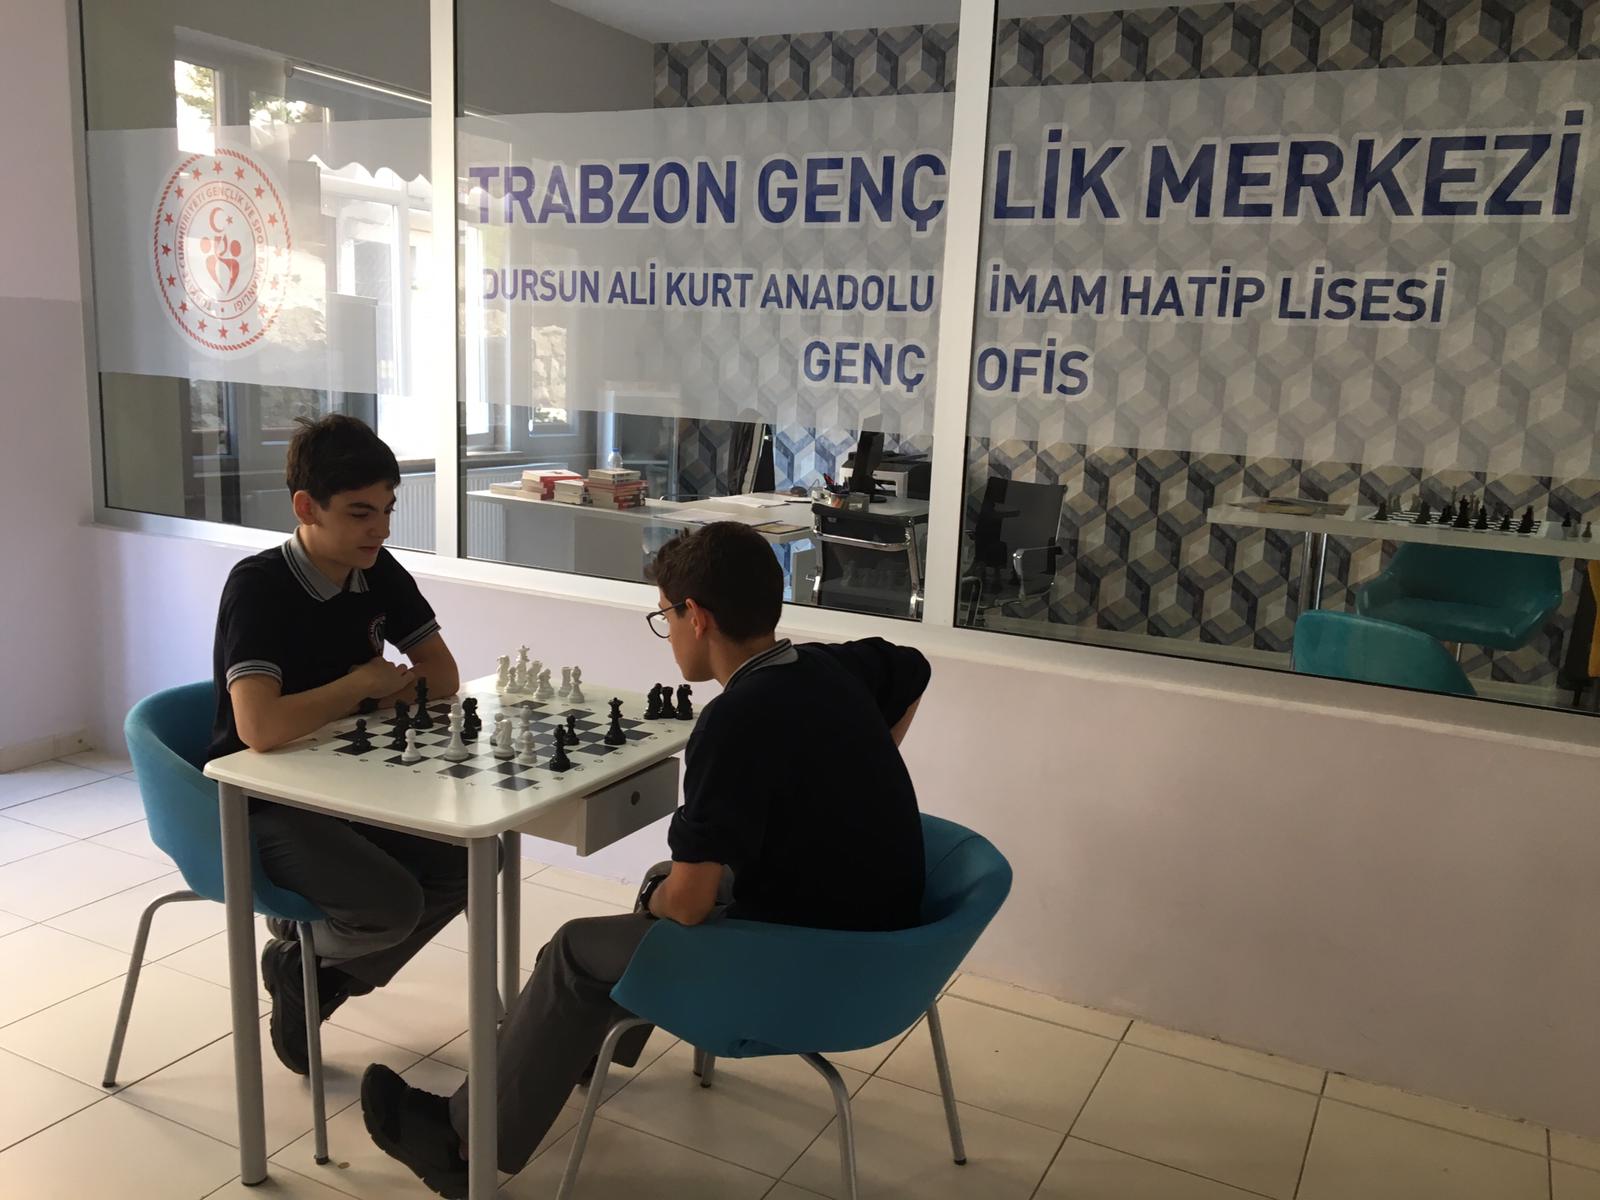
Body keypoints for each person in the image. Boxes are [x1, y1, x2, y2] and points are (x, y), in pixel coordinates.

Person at [359, 520, 931, 1197]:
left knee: (575, 948)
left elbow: (687, 906)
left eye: (666, 616)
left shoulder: (735, 721)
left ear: (698, 616)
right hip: (894, 946)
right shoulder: (829, 666)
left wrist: (666, 900)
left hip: (810, 961)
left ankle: (462, 1146)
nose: (668, 632)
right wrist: (855, 769)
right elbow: (914, 667)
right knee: (659, 882)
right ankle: (586, 1046)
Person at [207, 414, 466, 1075]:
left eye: (387, 510)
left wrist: (370, 696)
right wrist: (361, 685)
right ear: (306, 508)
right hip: (263, 802)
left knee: (467, 862)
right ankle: (305, 954)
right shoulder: (258, 586)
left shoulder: (376, 569)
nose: (380, 530)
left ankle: (313, 973)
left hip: (350, 780)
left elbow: (442, 675)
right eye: (360, 513)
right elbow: (260, 729)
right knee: (392, 906)